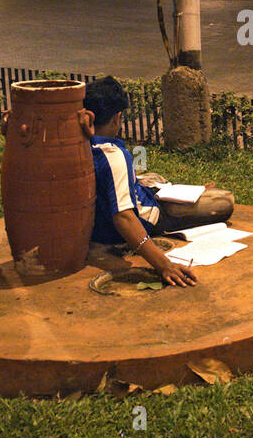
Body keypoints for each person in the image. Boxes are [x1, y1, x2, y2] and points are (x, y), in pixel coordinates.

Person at [83, 76, 235, 288]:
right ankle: (182, 194)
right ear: (117, 118)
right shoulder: (113, 155)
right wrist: (163, 264)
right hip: (151, 215)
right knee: (224, 201)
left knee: (153, 178)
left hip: (132, 196)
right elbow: (124, 217)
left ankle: (166, 188)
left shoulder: (78, 141)